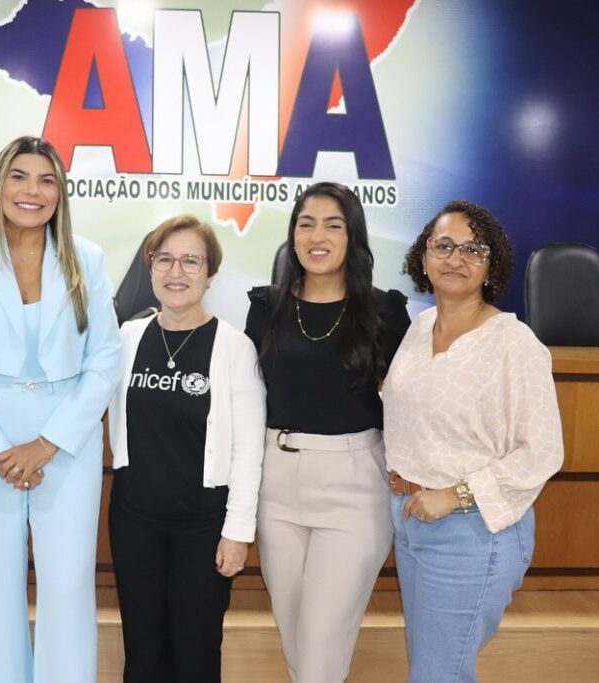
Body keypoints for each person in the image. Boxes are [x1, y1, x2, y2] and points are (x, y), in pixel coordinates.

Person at [0, 136, 122, 683]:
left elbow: (105, 359)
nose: (31, 191)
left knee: (66, 584)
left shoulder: (87, 257)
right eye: (19, 176)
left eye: (45, 180)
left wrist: (47, 443)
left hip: (64, 441)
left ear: (60, 192)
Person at [382, 199, 563, 682]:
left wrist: (454, 495)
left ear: (491, 264)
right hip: (409, 519)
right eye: (443, 246)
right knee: (433, 667)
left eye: (472, 249)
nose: (455, 258)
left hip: (472, 531)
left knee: (439, 674)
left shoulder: (513, 342)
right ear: (423, 258)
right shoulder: (419, 329)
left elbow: (543, 450)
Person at [244, 181, 410, 682]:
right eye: (305, 223)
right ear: (292, 235)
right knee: (296, 637)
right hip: (276, 482)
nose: (317, 236)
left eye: (333, 225)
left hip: (353, 485)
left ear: (353, 238)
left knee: (319, 643)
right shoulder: (264, 307)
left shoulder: (384, 312)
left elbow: (411, 402)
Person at [107, 215, 266, 683]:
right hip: (134, 519)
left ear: (210, 274)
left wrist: (238, 531)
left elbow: (247, 450)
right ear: (151, 268)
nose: (176, 272)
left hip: (203, 527)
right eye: (165, 259)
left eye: (191, 261)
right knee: (142, 650)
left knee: (196, 652)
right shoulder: (126, 339)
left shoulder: (234, 347)